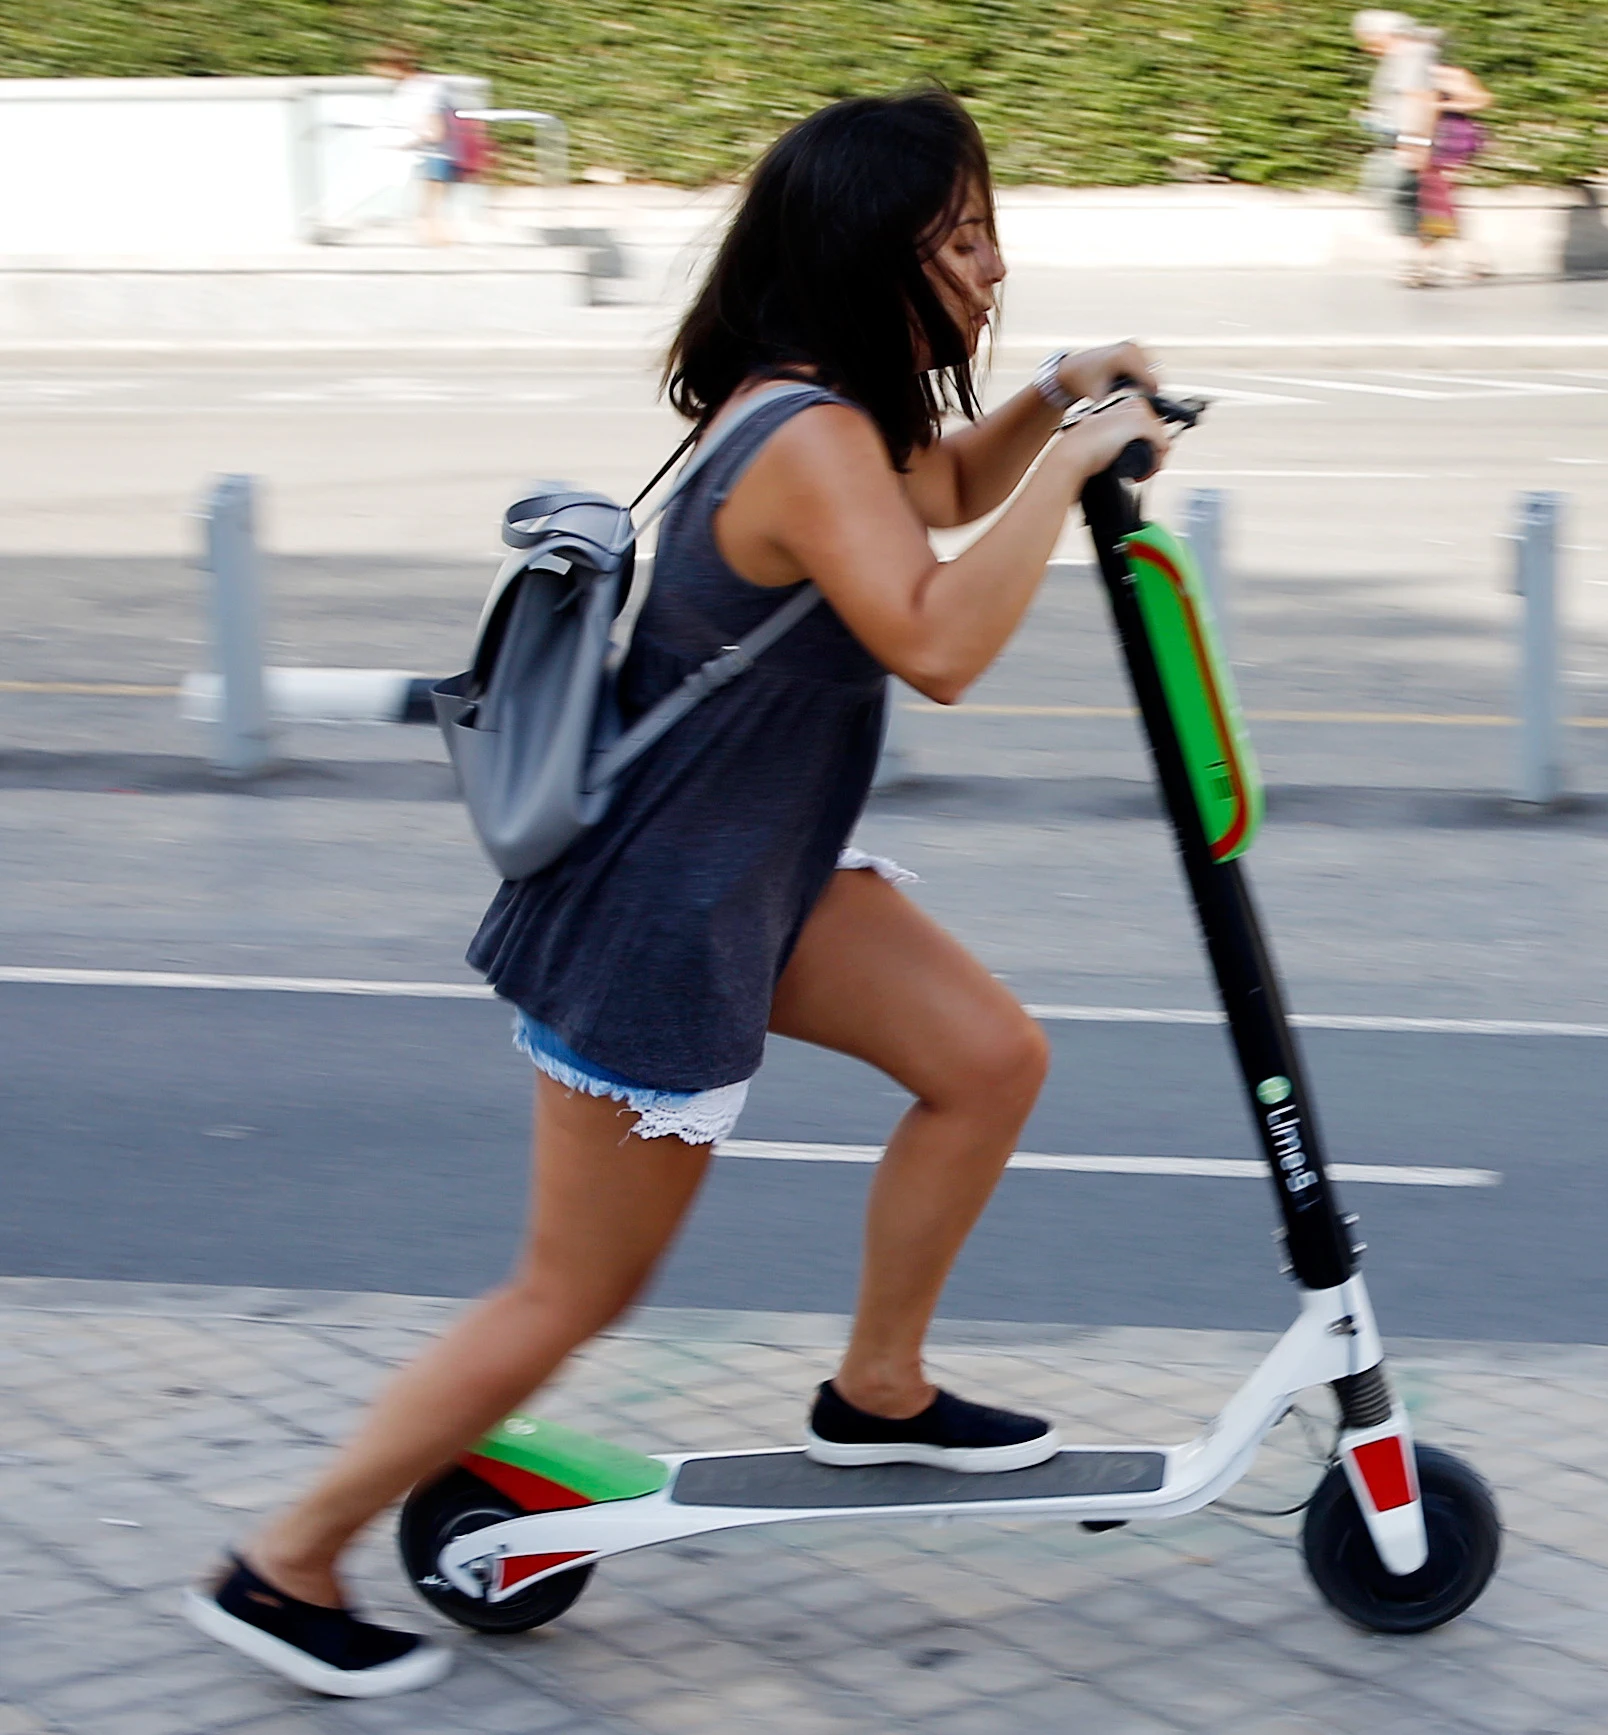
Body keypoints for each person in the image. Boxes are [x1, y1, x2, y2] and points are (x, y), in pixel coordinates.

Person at [184, 90, 1175, 1699]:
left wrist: (1059, 396)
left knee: (989, 1060)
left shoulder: (822, 411)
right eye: (965, 238)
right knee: (573, 1286)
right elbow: (935, 641)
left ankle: (878, 1389)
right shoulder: (803, 437)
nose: (996, 267)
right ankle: (282, 1557)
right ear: (876, 254)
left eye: (995, 231)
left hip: (763, 871)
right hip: (668, 905)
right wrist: (1074, 464)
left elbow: (937, 498)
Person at [1351, 10, 1494, 287]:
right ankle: (1459, 259)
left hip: (1445, 142)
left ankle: (1429, 263)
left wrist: (1438, 111)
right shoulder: (1409, 64)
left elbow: (1480, 99)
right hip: (1429, 141)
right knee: (1432, 202)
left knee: (1433, 202)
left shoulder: (1440, 70)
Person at [372, 46, 458, 246]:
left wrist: (405, 143)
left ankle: (434, 232)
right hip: (431, 149)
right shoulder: (421, 87)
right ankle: (434, 232)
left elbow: (434, 129)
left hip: (433, 149)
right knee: (433, 194)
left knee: (433, 194)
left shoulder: (422, 90)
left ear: (398, 66)